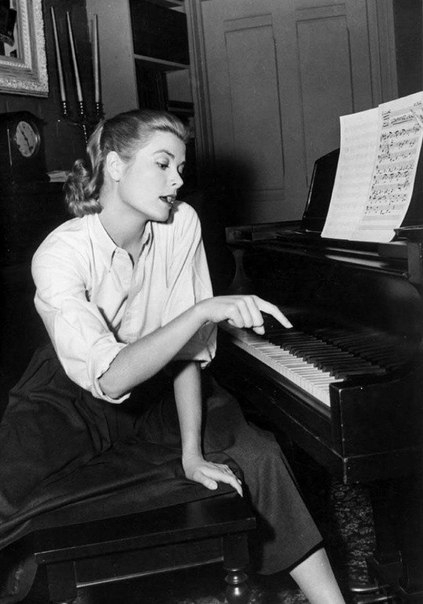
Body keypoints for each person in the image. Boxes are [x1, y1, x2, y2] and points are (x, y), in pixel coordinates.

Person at [0, 109, 346, 604]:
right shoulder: (61, 253)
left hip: (163, 383)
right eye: (162, 164)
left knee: (257, 453)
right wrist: (202, 310)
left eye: (181, 167)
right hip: (67, 395)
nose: (178, 179)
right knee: (7, 491)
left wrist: (191, 453)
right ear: (115, 166)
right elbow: (111, 377)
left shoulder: (181, 222)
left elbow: (185, 353)